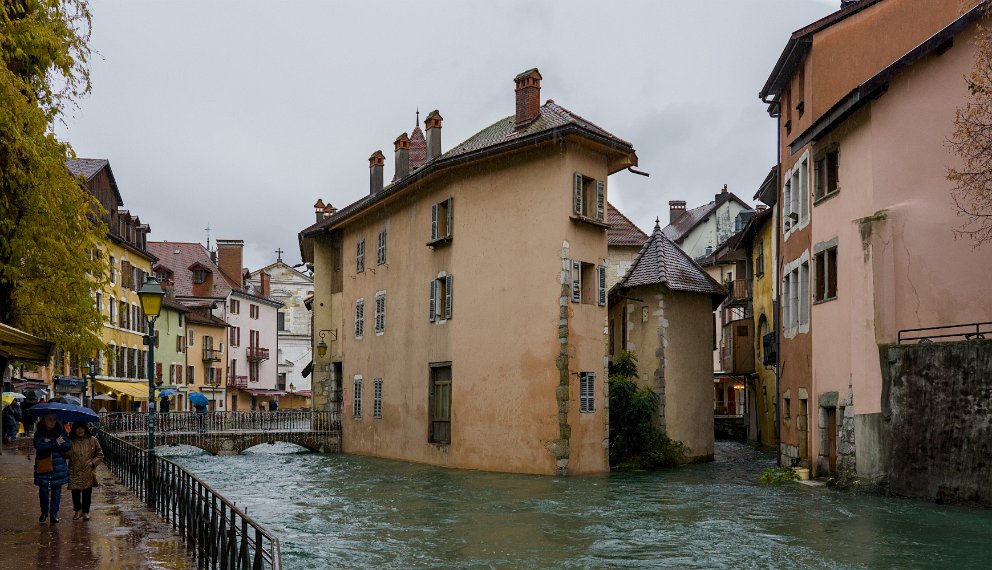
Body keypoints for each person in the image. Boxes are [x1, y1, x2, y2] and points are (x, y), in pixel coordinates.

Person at [33, 414, 72, 523]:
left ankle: (54, 514)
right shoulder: (39, 433)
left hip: (58, 466)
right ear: (44, 420)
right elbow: (39, 446)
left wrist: (50, 443)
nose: (52, 422)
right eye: (50, 419)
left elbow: (68, 445)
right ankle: (44, 512)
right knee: (43, 490)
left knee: (57, 491)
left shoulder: (60, 431)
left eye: (54, 420)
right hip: (43, 465)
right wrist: (55, 442)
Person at [66, 422, 103, 521]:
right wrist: (63, 445)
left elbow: (100, 454)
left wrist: (93, 463)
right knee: (75, 491)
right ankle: (77, 510)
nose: (80, 430)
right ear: (74, 430)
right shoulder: (71, 441)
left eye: (82, 428)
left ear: (85, 429)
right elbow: (66, 455)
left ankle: (86, 511)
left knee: (87, 491)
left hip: (88, 470)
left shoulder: (92, 440)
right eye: (78, 428)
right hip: (75, 469)